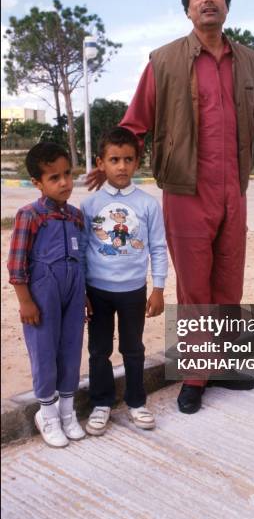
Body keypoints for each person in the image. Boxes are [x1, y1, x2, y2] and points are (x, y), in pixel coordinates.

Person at [87, 0, 254, 414]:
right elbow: (137, 119)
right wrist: (108, 162)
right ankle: (195, 374)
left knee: (229, 283)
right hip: (188, 191)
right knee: (194, 288)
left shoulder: (247, 58)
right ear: (187, 8)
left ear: (227, 3)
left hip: (235, 190)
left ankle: (223, 364)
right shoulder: (164, 59)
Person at [81, 127, 168, 435]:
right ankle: (101, 403)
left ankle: (135, 402)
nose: (121, 166)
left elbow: (158, 247)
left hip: (134, 291)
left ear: (136, 162)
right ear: (100, 162)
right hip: (98, 291)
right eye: (114, 159)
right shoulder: (89, 206)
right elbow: (81, 252)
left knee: (133, 349)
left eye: (127, 159)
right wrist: (82, 293)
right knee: (99, 350)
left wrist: (158, 288)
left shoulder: (147, 204)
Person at [7, 142, 86, 447]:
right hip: (42, 293)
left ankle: (68, 411)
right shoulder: (30, 215)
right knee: (44, 352)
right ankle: (48, 413)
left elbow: (84, 259)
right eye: (54, 178)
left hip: (74, 291)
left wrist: (85, 295)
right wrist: (25, 301)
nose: (65, 182)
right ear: (38, 183)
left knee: (71, 348)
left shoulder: (76, 217)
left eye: (68, 174)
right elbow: (16, 263)